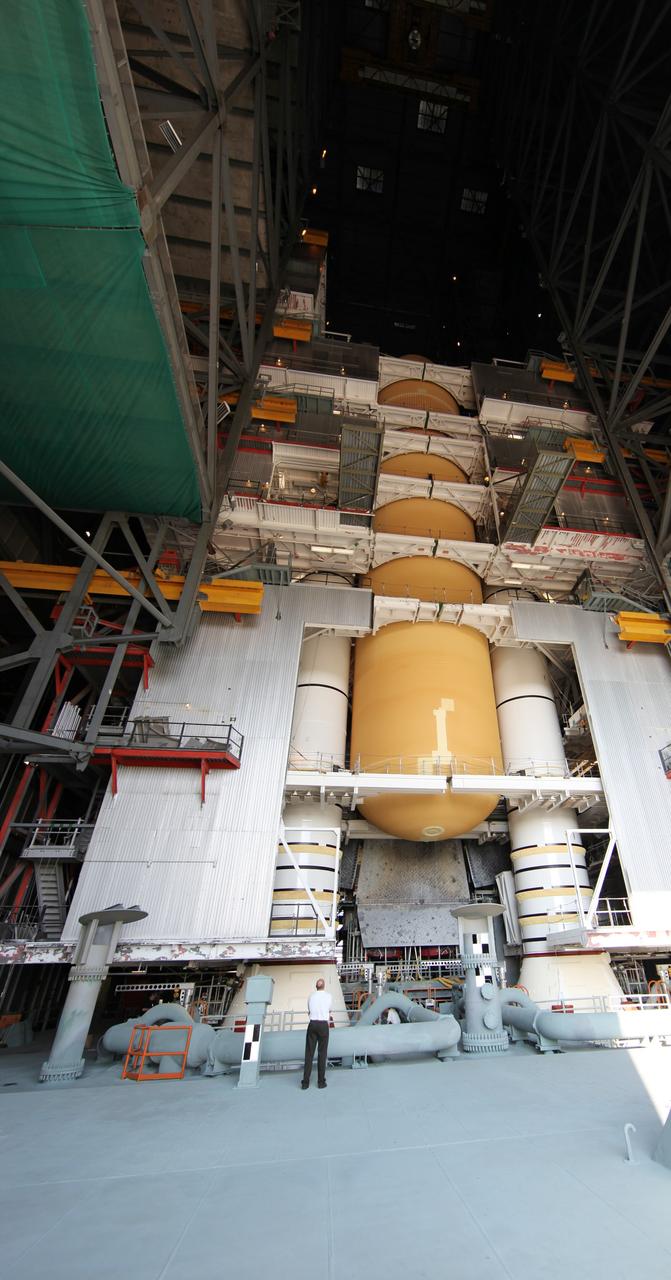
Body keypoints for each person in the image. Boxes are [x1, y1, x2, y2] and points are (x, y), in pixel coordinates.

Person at [301, 977, 332, 1089]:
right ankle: (321, 1082)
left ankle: (305, 1083)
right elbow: (329, 1010)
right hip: (323, 1025)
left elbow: (309, 1011)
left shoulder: (311, 996)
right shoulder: (328, 996)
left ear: (316, 987)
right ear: (324, 986)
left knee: (309, 1053)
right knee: (322, 1054)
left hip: (312, 1024)